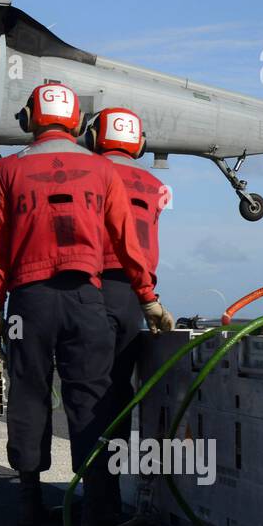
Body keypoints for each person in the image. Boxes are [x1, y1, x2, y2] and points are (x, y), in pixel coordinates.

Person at [0, 83, 174, 526]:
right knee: (91, 400)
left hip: (28, 302)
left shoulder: (9, 170)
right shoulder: (102, 171)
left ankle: (29, 502)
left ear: (31, 118)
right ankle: (97, 510)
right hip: (88, 298)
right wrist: (148, 298)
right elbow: (128, 243)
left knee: (29, 395)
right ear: (75, 124)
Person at [87, 108, 169, 459]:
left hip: (93, 284)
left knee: (90, 386)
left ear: (93, 138)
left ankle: (94, 489)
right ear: (140, 144)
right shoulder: (156, 185)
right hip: (137, 293)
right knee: (119, 387)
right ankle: (111, 492)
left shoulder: (88, 173)